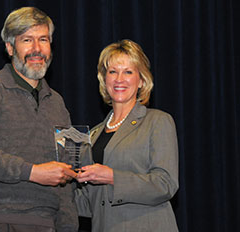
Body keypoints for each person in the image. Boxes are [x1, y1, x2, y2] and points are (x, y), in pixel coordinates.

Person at [0, 7, 78, 232]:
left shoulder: (57, 103)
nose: (37, 49)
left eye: (43, 39)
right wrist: (33, 172)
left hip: (45, 223)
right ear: (10, 48)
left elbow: (65, 175)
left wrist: (69, 226)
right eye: (27, 40)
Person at [75, 39, 179, 231]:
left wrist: (112, 176)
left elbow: (165, 184)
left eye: (128, 72)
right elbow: (87, 204)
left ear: (141, 80)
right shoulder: (92, 135)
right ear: (104, 80)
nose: (119, 79)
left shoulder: (157, 121)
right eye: (112, 72)